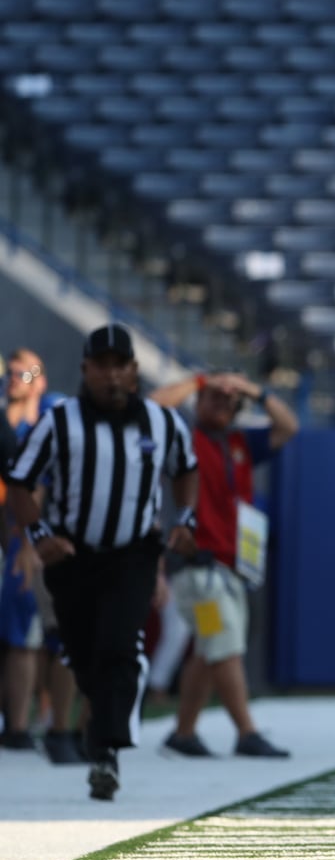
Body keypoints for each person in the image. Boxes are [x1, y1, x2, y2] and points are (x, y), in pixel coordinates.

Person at [4, 325, 199, 800]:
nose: (111, 375)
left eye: (120, 365)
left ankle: (106, 749)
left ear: (133, 371)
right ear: (85, 370)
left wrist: (186, 519)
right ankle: (85, 730)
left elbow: (186, 468)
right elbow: (22, 482)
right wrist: (40, 535)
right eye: (102, 365)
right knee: (77, 652)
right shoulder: (60, 421)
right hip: (72, 552)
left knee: (117, 645)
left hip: (133, 552)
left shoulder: (161, 421)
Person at [148, 371, 298, 759]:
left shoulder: (240, 443)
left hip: (232, 565)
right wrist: (201, 380)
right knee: (226, 645)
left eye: (228, 401)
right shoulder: (185, 439)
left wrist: (252, 388)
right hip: (197, 567)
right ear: (198, 403)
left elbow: (288, 425)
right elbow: (153, 405)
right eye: (213, 399)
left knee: (208, 648)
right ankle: (246, 731)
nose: (221, 405)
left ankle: (183, 733)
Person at [1, 347, 82, 763]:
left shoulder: (52, 418)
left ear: (42, 378)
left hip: (40, 539)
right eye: (10, 372)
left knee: (42, 636)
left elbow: (34, 486)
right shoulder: (6, 420)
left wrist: (29, 540)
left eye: (24, 373)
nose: (15, 379)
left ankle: (47, 722)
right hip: (15, 537)